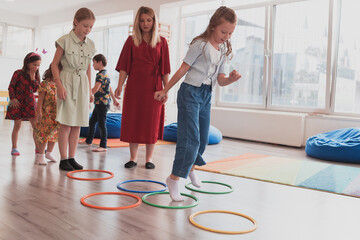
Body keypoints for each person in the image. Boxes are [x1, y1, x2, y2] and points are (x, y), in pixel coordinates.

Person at [154, 6, 241, 201]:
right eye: (223, 31)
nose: (226, 36)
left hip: (206, 95)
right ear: (213, 26)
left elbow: (221, 80)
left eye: (230, 33)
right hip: (190, 93)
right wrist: (165, 90)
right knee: (189, 138)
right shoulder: (200, 45)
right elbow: (182, 70)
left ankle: (190, 167)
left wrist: (232, 80)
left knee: (202, 139)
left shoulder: (224, 50)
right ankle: (174, 178)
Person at [114, 6, 170, 169]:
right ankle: (132, 158)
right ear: (137, 22)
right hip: (134, 87)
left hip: (154, 88)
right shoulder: (131, 41)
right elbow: (124, 66)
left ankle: (149, 159)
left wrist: (166, 90)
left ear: (154, 21)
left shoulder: (162, 42)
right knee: (134, 120)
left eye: (149, 20)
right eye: (142, 20)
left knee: (151, 123)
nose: (145, 23)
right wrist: (119, 85)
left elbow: (165, 69)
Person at [51, 7, 96, 171]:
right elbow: (54, 65)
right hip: (67, 81)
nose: (88, 30)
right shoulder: (64, 40)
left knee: (77, 123)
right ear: (76, 22)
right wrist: (59, 85)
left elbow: (89, 67)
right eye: (85, 25)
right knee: (66, 124)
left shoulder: (90, 44)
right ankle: (63, 159)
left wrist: (90, 90)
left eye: (91, 27)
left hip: (82, 83)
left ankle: (72, 157)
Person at [6, 52, 41, 156]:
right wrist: (13, 99)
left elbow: (35, 89)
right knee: (17, 126)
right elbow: (11, 87)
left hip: (30, 103)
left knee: (35, 126)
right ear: (27, 63)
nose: (36, 67)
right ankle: (14, 148)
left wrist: (32, 77)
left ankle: (38, 148)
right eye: (34, 65)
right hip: (17, 102)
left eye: (38, 65)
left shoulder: (36, 75)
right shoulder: (17, 73)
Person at [83, 54, 120, 152]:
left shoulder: (100, 75)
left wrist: (87, 94)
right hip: (101, 103)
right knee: (92, 121)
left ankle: (103, 145)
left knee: (102, 124)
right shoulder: (106, 74)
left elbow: (95, 88)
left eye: (94, 63)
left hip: (102, 104)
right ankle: (89, 141)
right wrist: (115, 100)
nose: (93, 65)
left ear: (100, 62)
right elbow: (109, 88)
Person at [33, 64, 62, 165]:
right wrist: (39, 111)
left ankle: (49, 153)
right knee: (44, 134)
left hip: (56, 114)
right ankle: (41, 155)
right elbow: (40, 100)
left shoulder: (59, 85)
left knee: (54, 134)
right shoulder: (45, 84)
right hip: (46, 113)